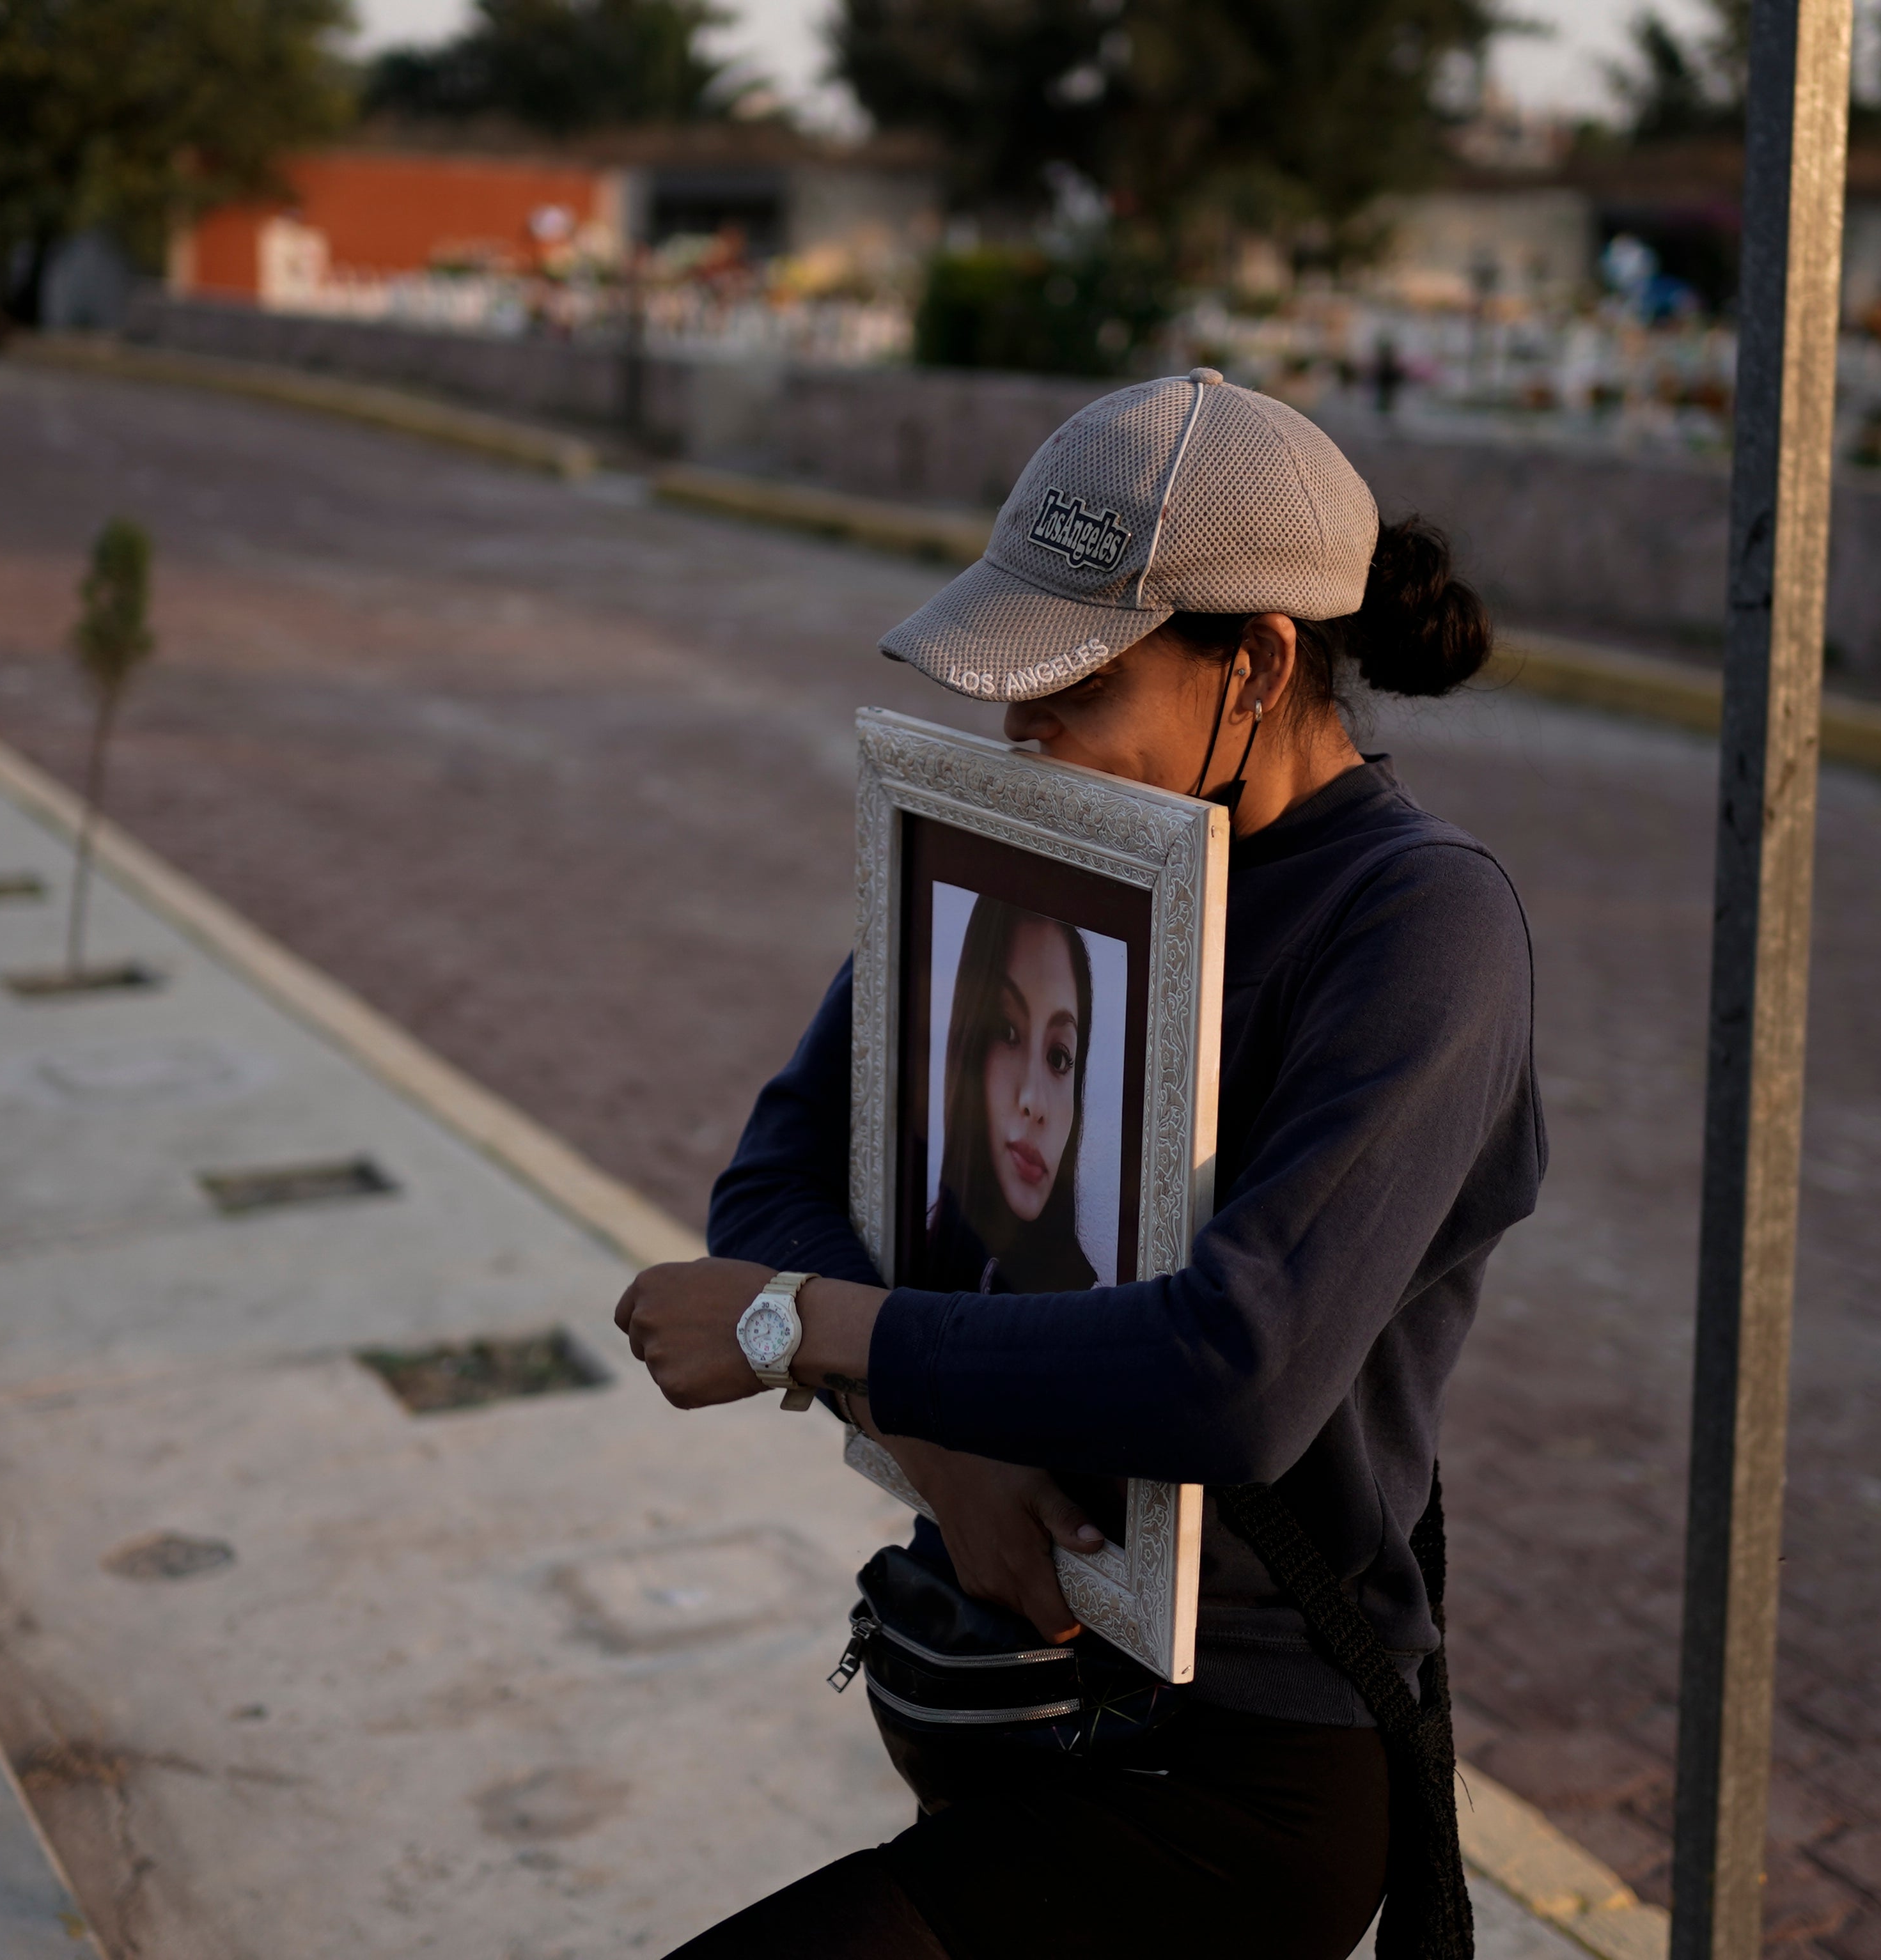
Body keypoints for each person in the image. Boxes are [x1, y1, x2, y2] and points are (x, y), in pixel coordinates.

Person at [614, 368, 1545, 1960]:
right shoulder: (1023, 844)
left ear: (1253, 665)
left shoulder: (1418, 926)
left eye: (1071, 689)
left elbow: (1234, 1372)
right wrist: (953, 1459)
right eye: (1009, 688)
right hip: (1001, 1685)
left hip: (1235, 1762)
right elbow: (780, 1187)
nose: (1018, 733)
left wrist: (812, 1333)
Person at [915, 899, 1099, 1296]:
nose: (1033, 1101)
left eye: (1058, 1057)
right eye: (1006, 1030)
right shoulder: (898, 1259)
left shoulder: (1100, 1313)